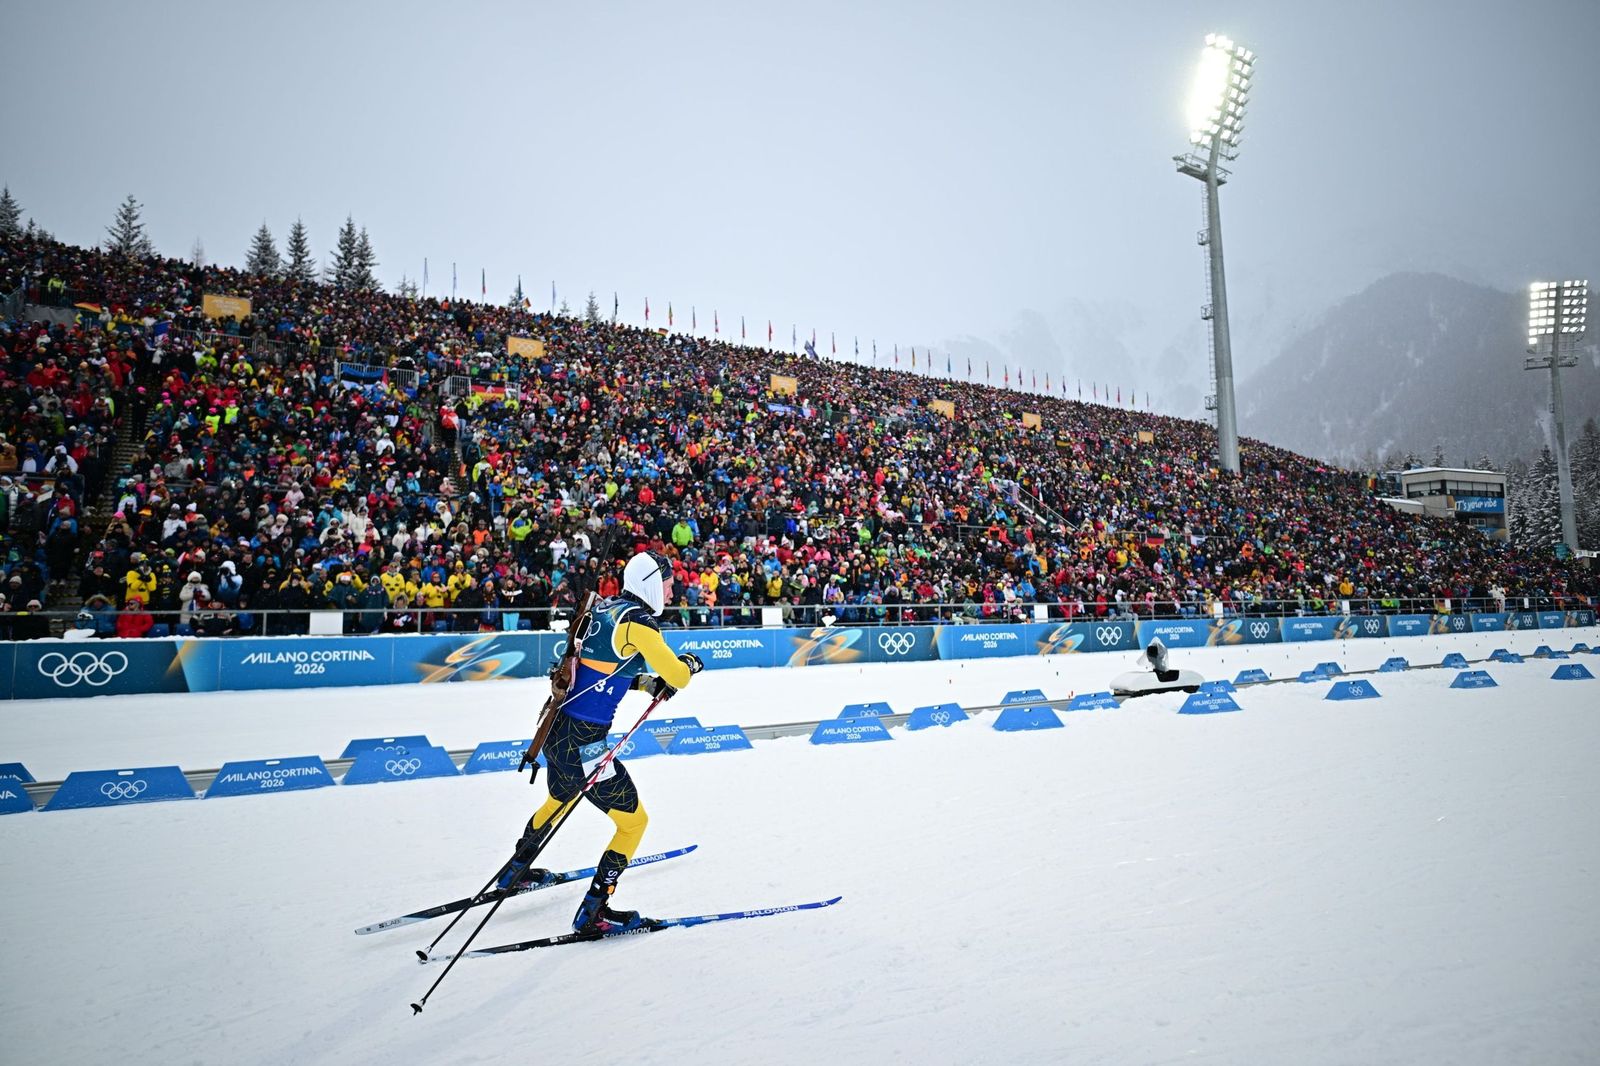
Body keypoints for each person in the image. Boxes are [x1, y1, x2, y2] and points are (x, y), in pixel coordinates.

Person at [498, 550, 704, 934]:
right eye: (668, 583)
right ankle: (595, 910)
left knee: (558, 801)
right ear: (652, 584)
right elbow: (678, 673)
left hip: (556, 731)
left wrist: (648, 683)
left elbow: (609, 672)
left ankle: (516, 871)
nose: (672, 589)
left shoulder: (605, 610)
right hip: (586, 743)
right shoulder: (638, 622)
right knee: (633, 823)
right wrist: (688, 664)